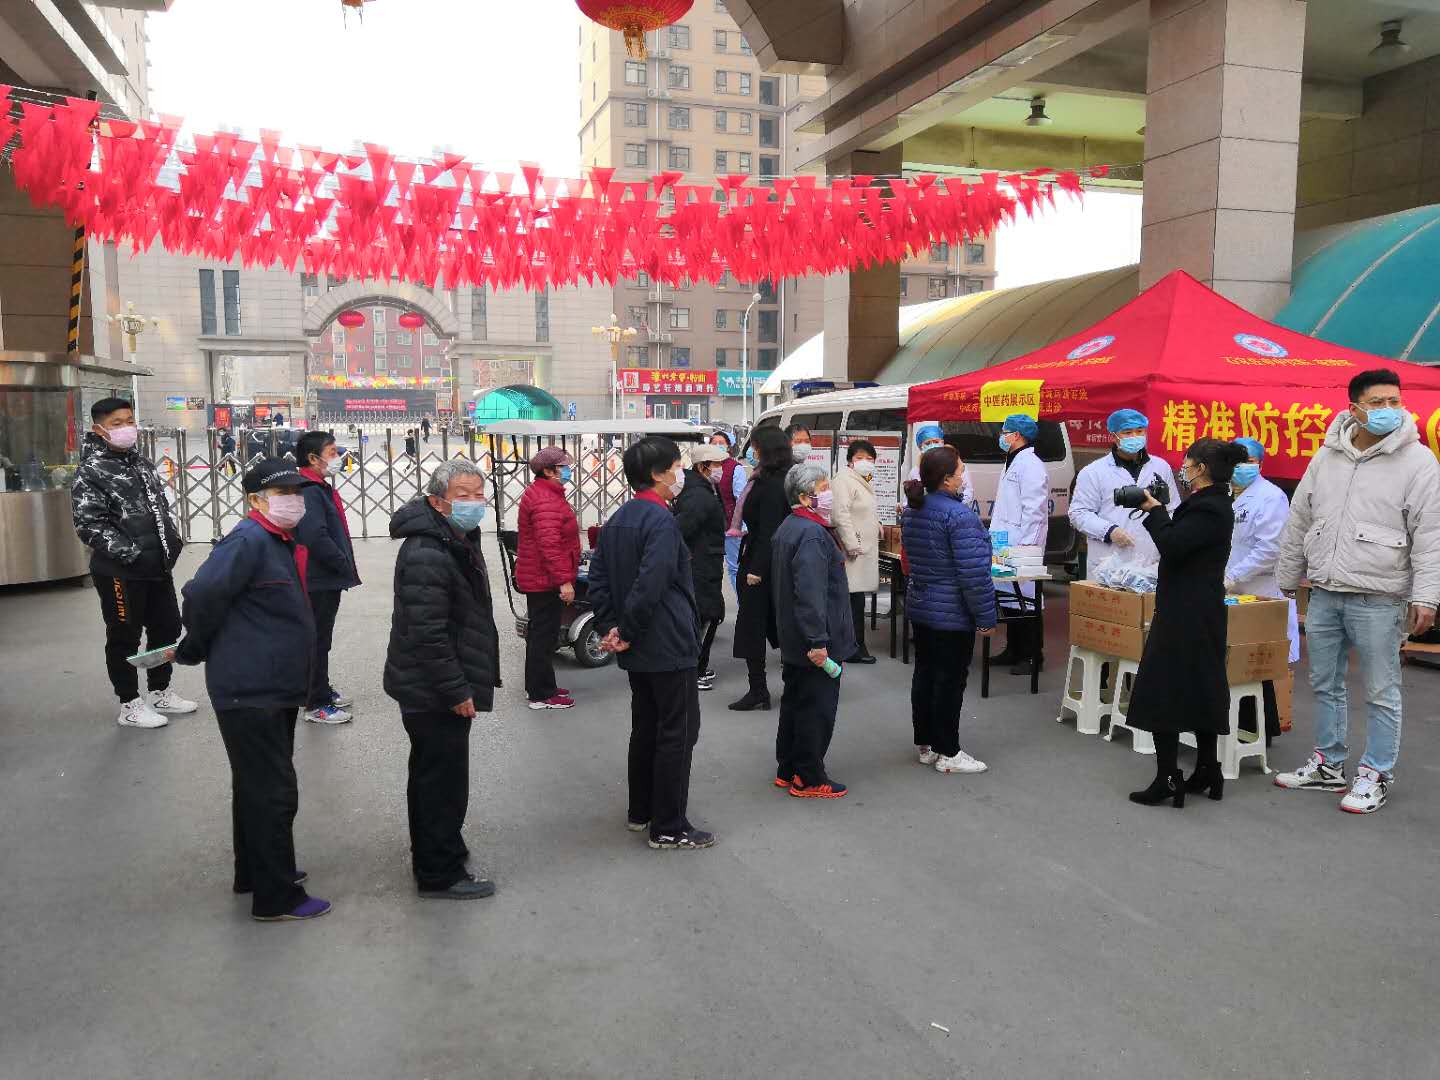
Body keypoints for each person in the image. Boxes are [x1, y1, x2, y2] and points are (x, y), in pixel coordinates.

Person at [1275, 369, 1440, 814]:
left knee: (1381, 690)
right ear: (1354, 409)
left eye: (1394, 401)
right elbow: (1300, 517)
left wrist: (1426, 596)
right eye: (1378, 402)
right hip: (1325, 590)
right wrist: (1288, 576)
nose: (1389, 409)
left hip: (1380, 596)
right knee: (1324, 683)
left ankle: (1375, 774)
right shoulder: (1327, 456)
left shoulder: (1418, 461)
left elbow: (1431, 533)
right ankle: (1328, 764)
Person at [174, 458, 329, 921]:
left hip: (273, 684)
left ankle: (255, 873)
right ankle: (276, 896)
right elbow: (201, 593)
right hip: (251, 687)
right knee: (273, 790)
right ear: (256, 500)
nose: (293, 501)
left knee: (254, 784)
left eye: (297, 492)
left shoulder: (278, 540)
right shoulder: (248, 540)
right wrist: (195, 646)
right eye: (282, 493)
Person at [383, 459, 501, 899]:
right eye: (462, 495)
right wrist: (456, 689)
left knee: (436, 775)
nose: (474, 503)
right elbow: (427, 632)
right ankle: (439, 873)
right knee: (440, 781)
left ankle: (441, 848)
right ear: (436, 501)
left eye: (479, 494)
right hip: (432, 688)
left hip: (436, 680)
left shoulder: (454, 537)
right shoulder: (427, 551)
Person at [588, 437, 713, 850]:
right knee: (678, 731)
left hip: (638, 643)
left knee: (646, 726)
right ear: (658, 474)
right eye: (676, 467)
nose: (680, 474)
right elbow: (651, 582)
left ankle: (641, 811)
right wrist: (624, 630)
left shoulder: (620, 518)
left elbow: (599, 577)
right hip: (665, 641)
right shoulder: (660, 520)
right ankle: (669, 825)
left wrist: (611, 626)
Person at [1125, 439, 1250, 808]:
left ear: (1201, 469)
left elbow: (1173, 544)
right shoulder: (1212, 503)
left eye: (1188, 463)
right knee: (1200, 685)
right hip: (1199, 609)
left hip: (1185, 612)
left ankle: (1168, 776)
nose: (1183, 469)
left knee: (1163, 688)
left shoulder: (1209, 508)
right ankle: (1207, 768)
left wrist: (1155, 511)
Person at [71, 396, 195, 729]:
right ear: (99, 429)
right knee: (125, 635)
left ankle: (159, 691)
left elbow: (160, 507)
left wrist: (171, 543)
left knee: (167, 628)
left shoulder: (141, 464)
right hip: (120, 571)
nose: (126, 428)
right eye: (117, 423)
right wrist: (131, 554)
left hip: (157, 567)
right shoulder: (91, 471)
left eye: (129, 421)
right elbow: (89, 524)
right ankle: (129, 703)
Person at [902, 446, 998, 774]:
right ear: (946, 479)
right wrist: (986, 617)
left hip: (923, 606)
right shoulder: (959, 516)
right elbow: (974, 575)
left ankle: (927, 744)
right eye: (960, 471)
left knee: (926, 676)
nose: (963, 476)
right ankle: (948, 751)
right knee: (949, 682)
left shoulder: (914, 509)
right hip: (951, 614)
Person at [771, 462, 858, 797]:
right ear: (806, 498)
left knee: (795, 703)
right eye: (823, 489)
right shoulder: (810, 534)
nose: (829, 493)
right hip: (814, 640)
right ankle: (809, 777)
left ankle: (789, 767)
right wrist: (818, 641)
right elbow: (810, 593)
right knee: (816, 708)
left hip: (795, 636)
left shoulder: (791, 527)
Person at [1225, 436, 1299, 742]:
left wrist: (1232, 575)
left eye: (1249, 462)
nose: (1242, 467)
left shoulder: (1271, 497)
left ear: (1260, 464)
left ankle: (1258, 732)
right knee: (1233, 661)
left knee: (1256, 664)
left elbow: (1269, 549)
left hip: (1259, 588)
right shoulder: (1225, 493)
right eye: (1236, 461)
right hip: (1231, 590)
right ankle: (1234, 728)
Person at [294, 431, 361, 725]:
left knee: (320, 639)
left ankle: (318, 688)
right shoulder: (309, 490)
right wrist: (341, 562)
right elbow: (314, 536)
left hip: (322, 576)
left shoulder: (317, 487)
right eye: (332, 452)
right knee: (317, 640)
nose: (337, 458)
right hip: (318, 577)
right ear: (313, 458)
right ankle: (316, 703)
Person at [1069, 408, 1179, 578]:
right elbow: (1078, 513)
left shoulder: (1161, 467)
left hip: (1150, 561)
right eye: (1127, 432)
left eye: (1139, 431)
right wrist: (1109, 531)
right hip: (1108, 562)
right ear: (1114, 436)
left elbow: (1173, 509)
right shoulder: (1093, 472)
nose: (1134, 436)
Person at [731, 426, 794, 711]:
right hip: (769, 558)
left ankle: (760, 689)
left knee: (754, 626)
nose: (751, 452)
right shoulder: (772, 478)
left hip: (764, 563)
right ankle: (764, 689)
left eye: (755, 447)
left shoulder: (771, 484)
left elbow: (769, 530)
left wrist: (756, 569)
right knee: (772, 625)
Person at [515, 446, 581, 711]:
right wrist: (564, 581)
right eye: (563, 467)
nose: (568, 470)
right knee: (543, 636)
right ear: (548, 471)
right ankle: (541, 695)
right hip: (544, 579)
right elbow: (549, 545)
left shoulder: (546, 493)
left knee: (540, 635)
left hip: (540, 576)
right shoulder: (545, 500)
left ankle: (539, 685)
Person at [989, 414, 1051, 674]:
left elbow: (1034, 511)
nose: (1001, 436)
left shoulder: (1031, 465)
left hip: (1023, 543)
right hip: (1005, 541)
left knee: (1028, 599)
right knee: (1009, 597)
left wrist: (1026, 548)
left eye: (1004, 432)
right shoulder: (1012, 460)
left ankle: (1033, 655)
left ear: (1015, 435)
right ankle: (1013, 649)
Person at [675, 443, 729, 691]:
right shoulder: (699, 495)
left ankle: (696, 667)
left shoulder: (701, 489)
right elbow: (681, 529)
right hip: (701, 564)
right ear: (702, 466)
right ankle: (693, 670)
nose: (720, 469)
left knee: (705, 614)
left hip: (704, 561)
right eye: (716, 464)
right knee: (707, 614)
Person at [829, 439, 880, 664]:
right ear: (850, 460)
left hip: (861, 548)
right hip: (852, 550)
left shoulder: (862, 480)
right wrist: (851, 544)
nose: (865, 462)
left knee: (855, 599)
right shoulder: (843, 480)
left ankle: (854, 645)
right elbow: (840, 514)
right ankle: (853, 647)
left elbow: (864, 511)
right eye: (860, 458)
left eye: (870, 458)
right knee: (851, 600)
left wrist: (878, 525)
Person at [907, 422, 975, 509]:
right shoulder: (915, 471)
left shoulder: (956, 464)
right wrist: (905, 506)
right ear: (921, 447)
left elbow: (968, 490)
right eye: (928, 443)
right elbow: (910, 498)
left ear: (942, 442)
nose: (933, 445)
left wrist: (957, 505)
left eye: (936, 441)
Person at [712, 431, 745, 591]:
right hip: (711, 527)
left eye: (721, 443)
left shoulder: (735, 468)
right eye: (714, 443)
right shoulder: (704, 466)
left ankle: (741, 602)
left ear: (728, 446)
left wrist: (741, 525)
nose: (717, 446)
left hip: (730, 526)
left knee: (734, 567)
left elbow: (741, 499)